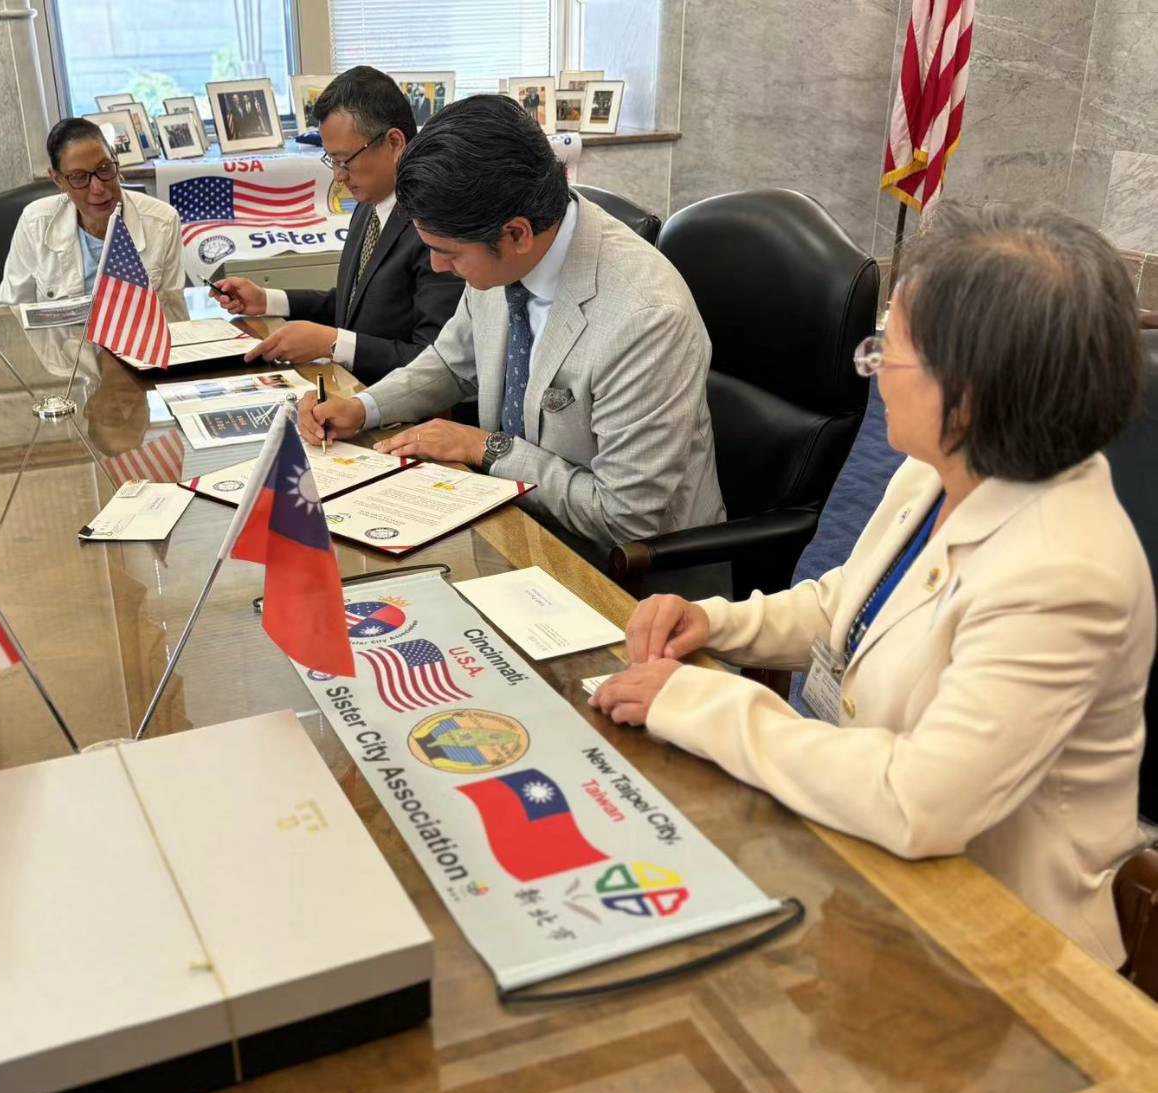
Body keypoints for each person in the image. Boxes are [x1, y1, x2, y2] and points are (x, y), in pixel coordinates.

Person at [591, 204, 1153, 967]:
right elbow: (849, 605)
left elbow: (919, 802)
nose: (876, 366)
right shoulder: (941, 465)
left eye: (893, 349)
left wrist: (697, 699)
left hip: (1000, 947)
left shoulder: (1065, 572)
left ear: (972, 389)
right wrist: (715, 625)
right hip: (864, 858)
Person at [298, 94, 723, 552]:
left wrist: (486, 448)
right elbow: (451, 362)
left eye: (450, 253)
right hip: (513, 523)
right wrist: (365, 408)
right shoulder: (507, 244)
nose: (438, 267)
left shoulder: (645, 319)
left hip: (626, 577)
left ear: (517, 234)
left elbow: (623, 518)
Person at [212, 67, 464, 384]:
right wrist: (268, 300)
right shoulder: (369, 206)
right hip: (351, 395)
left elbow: (433, 362)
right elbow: (353, 306)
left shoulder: (435, 228)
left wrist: (333, 344)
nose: (339, 176)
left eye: (346, 160)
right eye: (332, 160)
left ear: (394, 142)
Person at [0, 117, 184, 306]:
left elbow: (174, 315)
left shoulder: (163, 222)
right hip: (60, 336)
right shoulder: (34, 222)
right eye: (79, 177)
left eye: (104, 168)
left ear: (116, 161)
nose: (98, 188)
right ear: (58, 180)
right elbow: (13, 311)